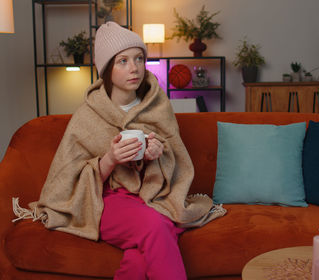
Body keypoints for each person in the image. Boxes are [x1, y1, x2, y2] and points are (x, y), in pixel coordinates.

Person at [13, 22, 226, 280]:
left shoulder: (159, 105)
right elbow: (69, 177)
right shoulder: (87, 115)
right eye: (122, 61)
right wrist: (110, 159)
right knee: (157, 226)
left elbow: (175, 160)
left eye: (138, 58)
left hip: (154, 195)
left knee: (139, 258)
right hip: (105, 201)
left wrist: (157, 156)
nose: (134, 68)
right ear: (106, 69)